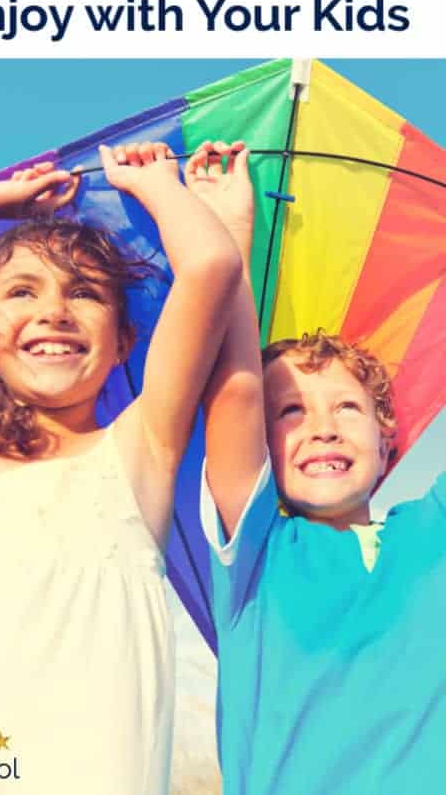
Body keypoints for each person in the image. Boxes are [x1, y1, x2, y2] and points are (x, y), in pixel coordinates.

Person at [0, 141, 242, 794]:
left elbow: (211, 265)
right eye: (21, 291)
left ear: (122, 343)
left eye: (84, 293)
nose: (53, 310)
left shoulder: (140, 449)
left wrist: (156, 184)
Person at [187, 141, 446, 795]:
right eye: (291, 412)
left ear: (389, 438)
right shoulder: (255, 555)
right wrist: (229, 232)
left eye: (349, 407)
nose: (323, 426)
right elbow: (234, 387)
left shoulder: (431, 531)